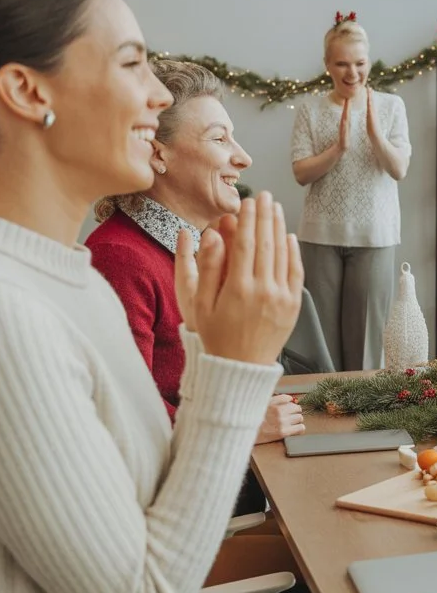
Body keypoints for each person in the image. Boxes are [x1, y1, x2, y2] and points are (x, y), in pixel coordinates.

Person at [0, 0, 302, 593]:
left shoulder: (66, 277)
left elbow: (147, 509)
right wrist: (233, 365)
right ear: (28, 92)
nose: (160, 97)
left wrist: (206, 347)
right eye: (132, 64)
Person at [89, 59, 305, 444]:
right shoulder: (119, 259)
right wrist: (241, 425)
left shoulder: (195, 250)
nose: (243, 158)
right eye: (220, 139)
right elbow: (122, 418)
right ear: (158, 155)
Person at [291, 13, 411, 372]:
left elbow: (399, 169)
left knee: (366, 346)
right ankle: (322, 419)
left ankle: (360, 424)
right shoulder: (311, 109)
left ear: (368, 62)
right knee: (321, 344)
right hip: (320, 236)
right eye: (342, 64)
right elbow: (300, 172)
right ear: (328, 64)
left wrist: (374, 135)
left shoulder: (391, 107)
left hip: (374, 237)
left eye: (359, 63)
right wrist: (338, 149)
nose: (352, 73)